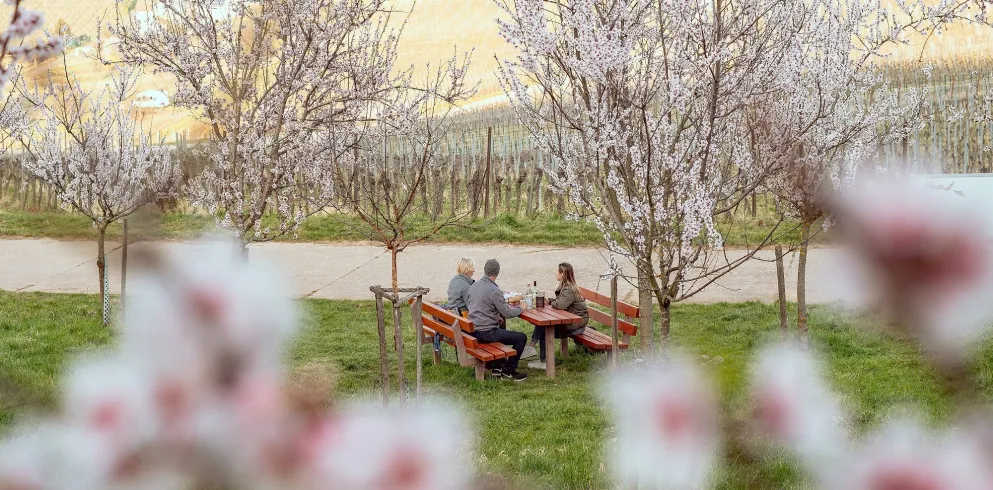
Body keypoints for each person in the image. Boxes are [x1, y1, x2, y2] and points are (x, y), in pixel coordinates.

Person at [465, 259, 528, 381]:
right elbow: (507, 313)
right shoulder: (494, 290)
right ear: (497, 272)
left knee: (501, 328)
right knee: (521, 338)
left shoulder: (473, 286)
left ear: (485, 270)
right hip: (486, 333)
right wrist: (521, 308)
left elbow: (472, 306)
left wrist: (493, 315)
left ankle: (496, 365)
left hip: (472, 331)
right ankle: (508, 371)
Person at [526, 262, 589, 370]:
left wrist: (552, 302)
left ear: (562, 274)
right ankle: (534, 350)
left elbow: (560, 305)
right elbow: (560, 301)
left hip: (576, 325)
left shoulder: (568, 289)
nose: (556, 273)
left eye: (557, 271)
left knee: (545, 329)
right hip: (574, 322)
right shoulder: (567, 286)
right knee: (543, 326)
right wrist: (549, 301)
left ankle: (542, 359)